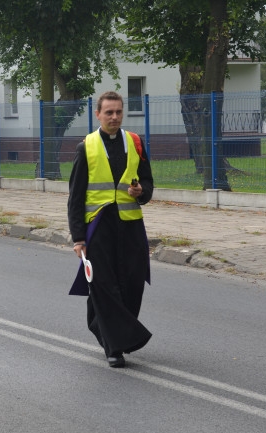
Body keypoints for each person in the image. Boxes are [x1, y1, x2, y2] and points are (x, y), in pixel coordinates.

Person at [67, 91, 154, 368]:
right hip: (99, 227)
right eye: (109, 112)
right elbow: (75, 197)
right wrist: (78, 237)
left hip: (130, 227)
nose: (114, 117)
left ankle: (101, 324)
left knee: (131, 284)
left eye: (118, 112)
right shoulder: (86, 147)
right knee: (104, 286)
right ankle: (114, 347)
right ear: (98, 115)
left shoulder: (135, 143)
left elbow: (149, 185)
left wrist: (141, 192)